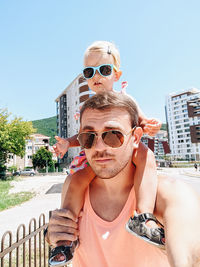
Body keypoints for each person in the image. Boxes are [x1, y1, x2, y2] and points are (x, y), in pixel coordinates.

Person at [47, 92, 200, 267]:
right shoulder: (74, 187)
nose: (99, 146)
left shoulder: (169, 193)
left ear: (135, 138)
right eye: (88, 136)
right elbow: (64, 236)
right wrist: (53, 235)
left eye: (112, 135)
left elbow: (188, 254)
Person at [50, 41, 162, 265]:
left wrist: (152, 124)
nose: (96, 76)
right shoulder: (87, 106)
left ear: (117, 74)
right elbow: (84, 135)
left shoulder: (127, 100)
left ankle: (143, 216)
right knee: (75, 180)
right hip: (94, 156)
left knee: (146, 155)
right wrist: (67, 144)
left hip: (124, 149)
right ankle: (66, 237)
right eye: (89, 72)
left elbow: (141, 122)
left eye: (105, 70)